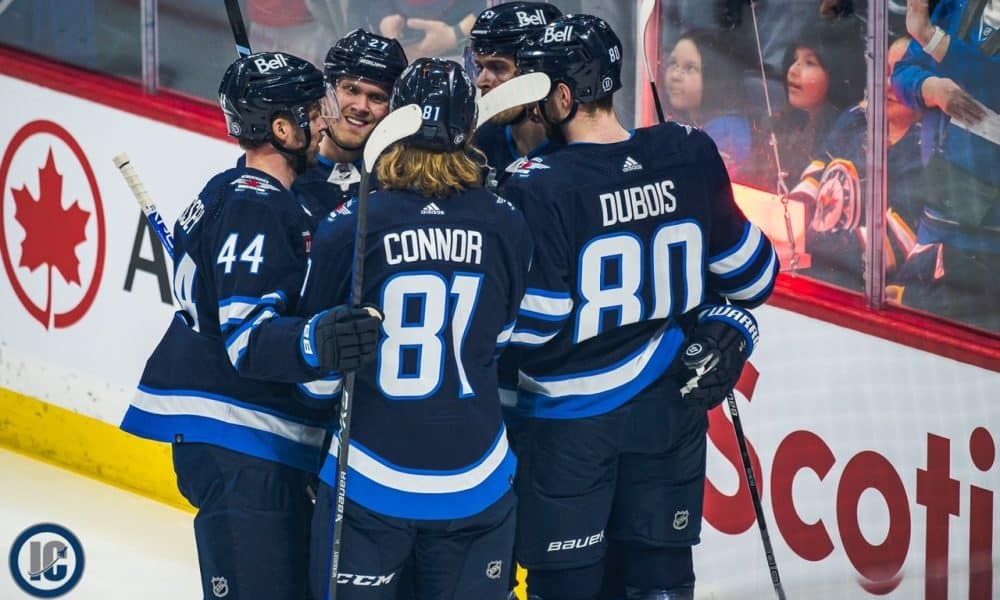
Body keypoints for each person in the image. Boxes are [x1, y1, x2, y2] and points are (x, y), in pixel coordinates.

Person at [500, 14, 777, 599]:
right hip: (669, 417)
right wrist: (725, 320)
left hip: (571, 431)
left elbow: (538, 327)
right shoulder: (686, 150)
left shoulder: (536, 182)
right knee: (660, 585)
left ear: (563, 96)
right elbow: (753, 276)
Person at [119, 51, 383, 600]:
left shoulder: (236, 187)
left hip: (244, 439)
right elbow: (248, 340)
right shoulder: (258, 207)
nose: (325, 121)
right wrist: (318, 338)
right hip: (240, 440)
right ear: (282, 128)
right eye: (314, 112)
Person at [302, 57, 534, 600]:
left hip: (369, 481)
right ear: (468, 129)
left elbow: (314, 378)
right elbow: (498, 340)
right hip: (476, 481)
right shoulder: (507, 221)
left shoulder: (349, 222)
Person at [891, 0, 1000, 332]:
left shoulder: (936, 28)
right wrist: (931, 89)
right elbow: (902, 72)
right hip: (937, 221)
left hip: (990, 245)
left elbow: (993, 85)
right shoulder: (959, 5)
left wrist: (930, 37)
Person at [788, 35, 925, 292]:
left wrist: (811, 241)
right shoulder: (857, 118)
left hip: (859, 291)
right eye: (884, 72)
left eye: (904, 75)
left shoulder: (925, 150)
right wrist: (791, 220)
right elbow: (818, 170)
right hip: (811, 266)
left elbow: (899, 240)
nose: (888, 84)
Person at [294, 29, 408, 227]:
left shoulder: (402, 178)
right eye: (351, 90)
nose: (361, 107)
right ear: (327, 91)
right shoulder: (287, 167)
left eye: (377, 97)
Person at [467, 1, 564, 190]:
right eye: (479, 67)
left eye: (498, 67)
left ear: (540, 70)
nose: (481, 81)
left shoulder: (575, 148)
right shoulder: (478, 144)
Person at [662, 28, 759, 182]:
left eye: (690, 68)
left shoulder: (726, 132)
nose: (675, 75)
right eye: (673, 64)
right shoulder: (691, 123)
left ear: (713, 75)